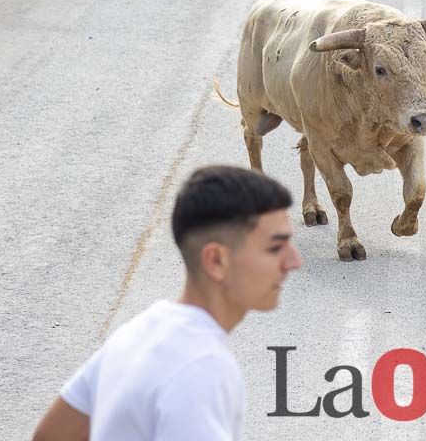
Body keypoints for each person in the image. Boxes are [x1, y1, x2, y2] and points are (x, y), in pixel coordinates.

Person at [32, 166, 300, 441]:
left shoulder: (139, 330)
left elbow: (50, 435)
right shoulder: (200, 367)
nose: (294, 262)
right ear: (217, 261)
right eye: (275, 248)